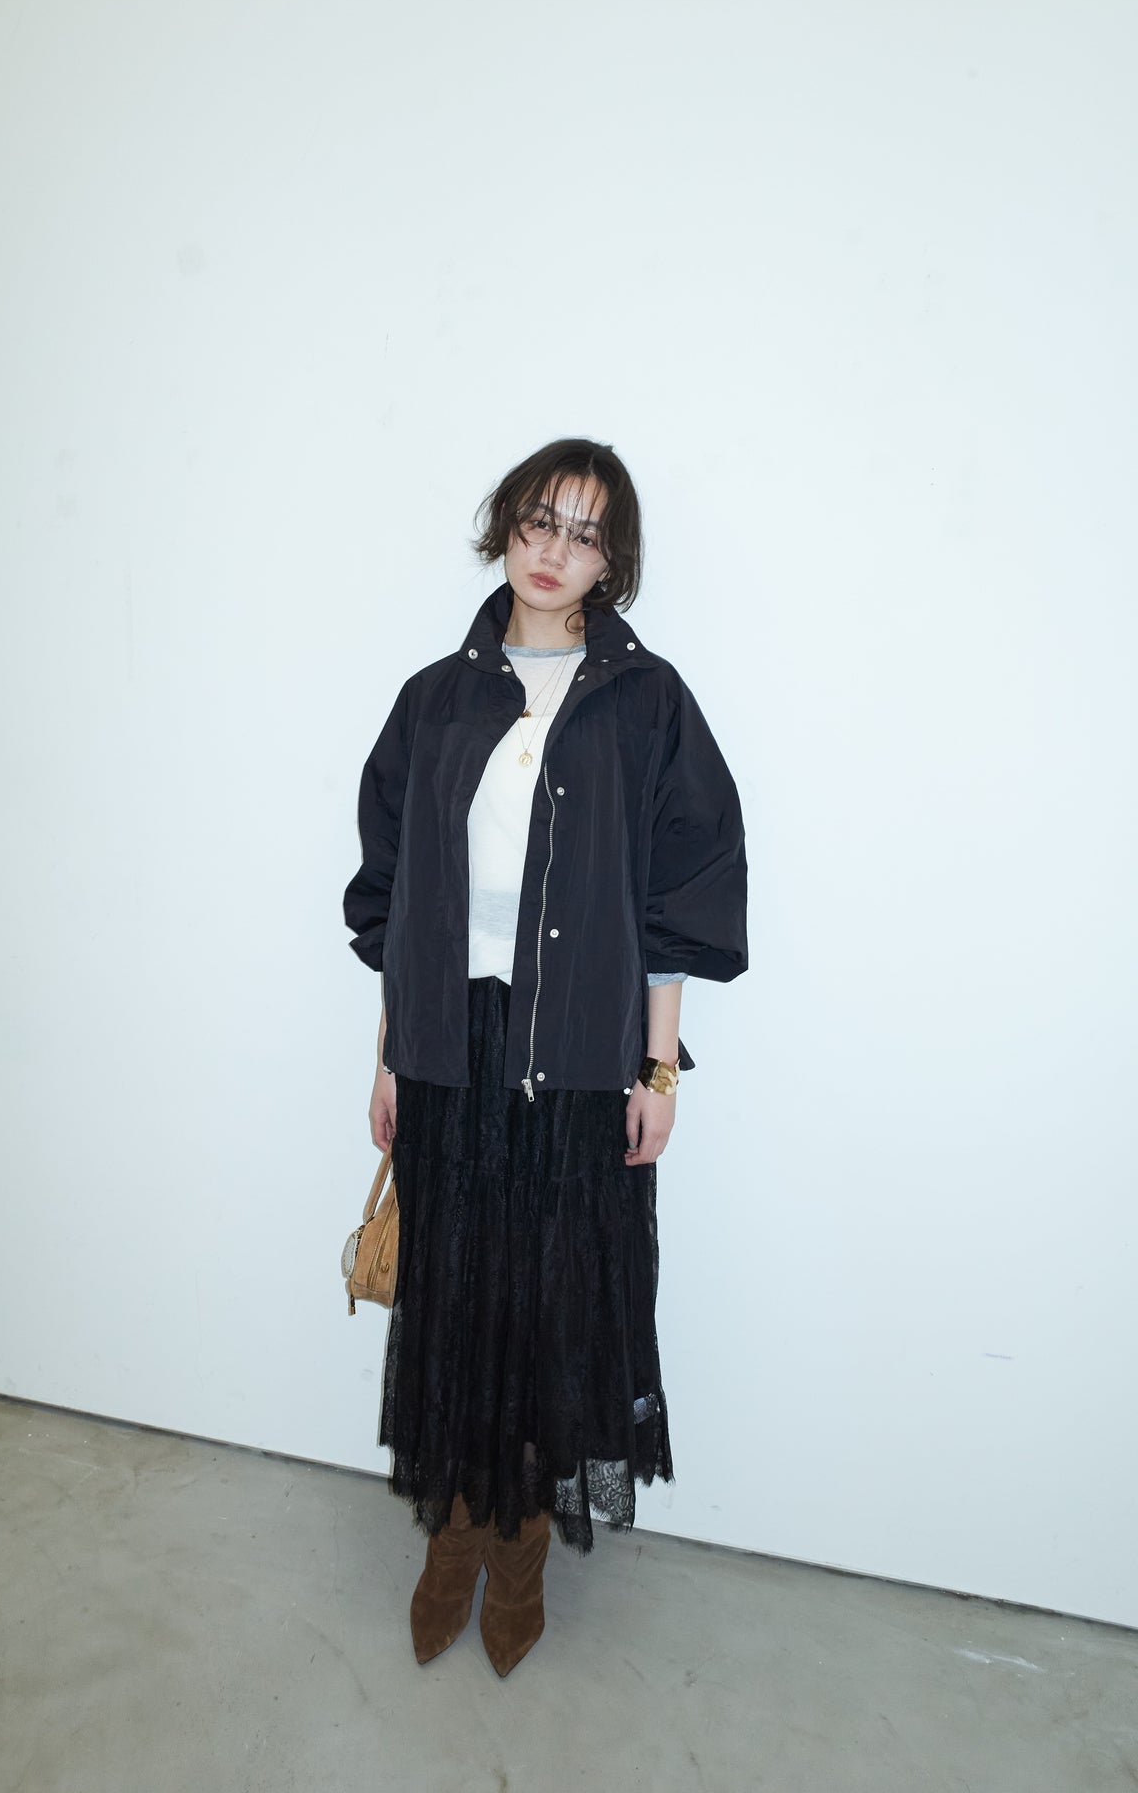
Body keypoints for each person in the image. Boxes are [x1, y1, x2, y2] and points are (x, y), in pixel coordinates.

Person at [343, 437, 747, 1675]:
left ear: (610, 561)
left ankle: (518, 1552)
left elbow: (678, 899)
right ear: (504, 528)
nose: (553, 550)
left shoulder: (645, 704)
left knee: (552, 1310)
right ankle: (452, 1539)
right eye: (537, 520)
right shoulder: (436, 700)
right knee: (454, 1301)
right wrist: (391, 1058)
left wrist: (658, 1071)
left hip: (576, 1055)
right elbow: (399, 898)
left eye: (583, 533)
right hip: (451, 1049)